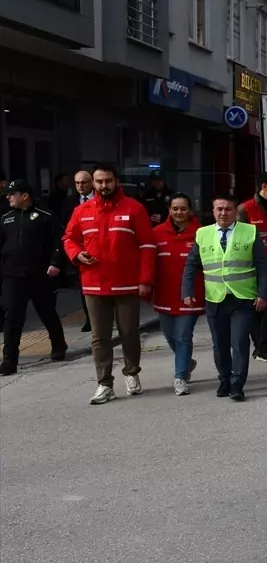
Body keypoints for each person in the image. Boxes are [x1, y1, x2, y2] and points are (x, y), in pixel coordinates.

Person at [62, 164, 156, 405]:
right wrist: (76, 254)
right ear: (93, 184)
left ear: (116, 181)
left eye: (108, 181)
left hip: (126, 285)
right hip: (94, 285)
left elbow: (147, 246)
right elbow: (69, 238)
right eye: (99, 182)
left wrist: (145, 280)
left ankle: (132, 373)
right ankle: (104, 384)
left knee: (129, 333)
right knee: (99, 338)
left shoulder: (134, 208)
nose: (104, 186)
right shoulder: (81, 211)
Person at [183, 195, 267, 401]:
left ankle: (237, 384)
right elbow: (191, 265)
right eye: (219, 209)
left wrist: (263, 293)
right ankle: (224, 379)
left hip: (242, 298)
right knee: (220, 344)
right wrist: (187, 291)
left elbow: (262, 265)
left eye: (228, 209)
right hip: (215, 298)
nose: (223, 213)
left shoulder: (249, 232)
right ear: (213, 212)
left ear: (236, 212)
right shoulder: (202, 234)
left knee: (240, 342)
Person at [0, 180, 68, 374]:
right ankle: (9, 359)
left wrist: (55, 263)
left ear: (25, 196)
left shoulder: (45, 216)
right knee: (12, 317)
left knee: (47, 312)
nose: (8, 197)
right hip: (13, 276)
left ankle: (58, 344)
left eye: (12, 193)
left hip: (40, 274)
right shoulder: (6, 218)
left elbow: (59, 241)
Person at [151, 193, 204, 395]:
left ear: (190, 210)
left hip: (190, 295)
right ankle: (187, 362)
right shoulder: (156, 233)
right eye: (175, 209)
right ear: (169, 210)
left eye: (183, 208)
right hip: (164, 295)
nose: (179, 212)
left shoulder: (202, 233)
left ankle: (180, 377)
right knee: (170, 337)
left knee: (183, 336)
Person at [238, 174, 267, 362]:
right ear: (264, 186)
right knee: (256, 309)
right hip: (252, 267)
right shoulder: (245, 209)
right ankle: (260, 347)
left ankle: (262, 348)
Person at [65, 170, 95, 332]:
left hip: (97, 248)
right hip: (79, 251)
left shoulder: (99, 200)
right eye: (77, 183)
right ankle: (90, 319)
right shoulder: (70, 203)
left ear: (91, 183)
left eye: (83, 182)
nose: (80, 186)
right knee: (83, 288)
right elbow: (66, 231)